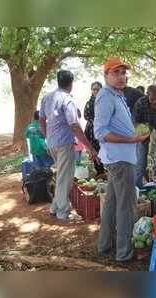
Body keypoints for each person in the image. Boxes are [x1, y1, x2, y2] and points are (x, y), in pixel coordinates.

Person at [94, 57, 149, 262]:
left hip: (120, 157)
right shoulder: (106, 96)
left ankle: (104, 245)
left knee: (111, 203)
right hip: (120, 159)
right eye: (116, 73)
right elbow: (101, 132)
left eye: (123, 73)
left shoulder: (117, 94)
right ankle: (124, 252)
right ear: (106, 75)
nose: (121, 77)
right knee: (126, 206)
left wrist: (134, 134)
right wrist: (131, 139)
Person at [39, 70, 98, 221]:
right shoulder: (67, 100)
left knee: (61, 176)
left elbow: (41, 119)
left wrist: (47, 136)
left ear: (58, 81)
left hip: (52, 143)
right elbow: (75, 126)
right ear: (71, 84)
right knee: (65, 178)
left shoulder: (47, 97)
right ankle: (63, 212)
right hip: (64, 143)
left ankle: (54, 208)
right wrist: (90, 148)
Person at [84, 81, 105, 175]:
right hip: (92, 131)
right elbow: (86, 116)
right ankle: (100, 173)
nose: (95, 91)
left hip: (104, 130)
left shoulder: (106, 101)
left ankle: (106, 173)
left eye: (98, 89)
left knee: (105, 151)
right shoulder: (89, 103)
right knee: (95, 151)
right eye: (94, 89)